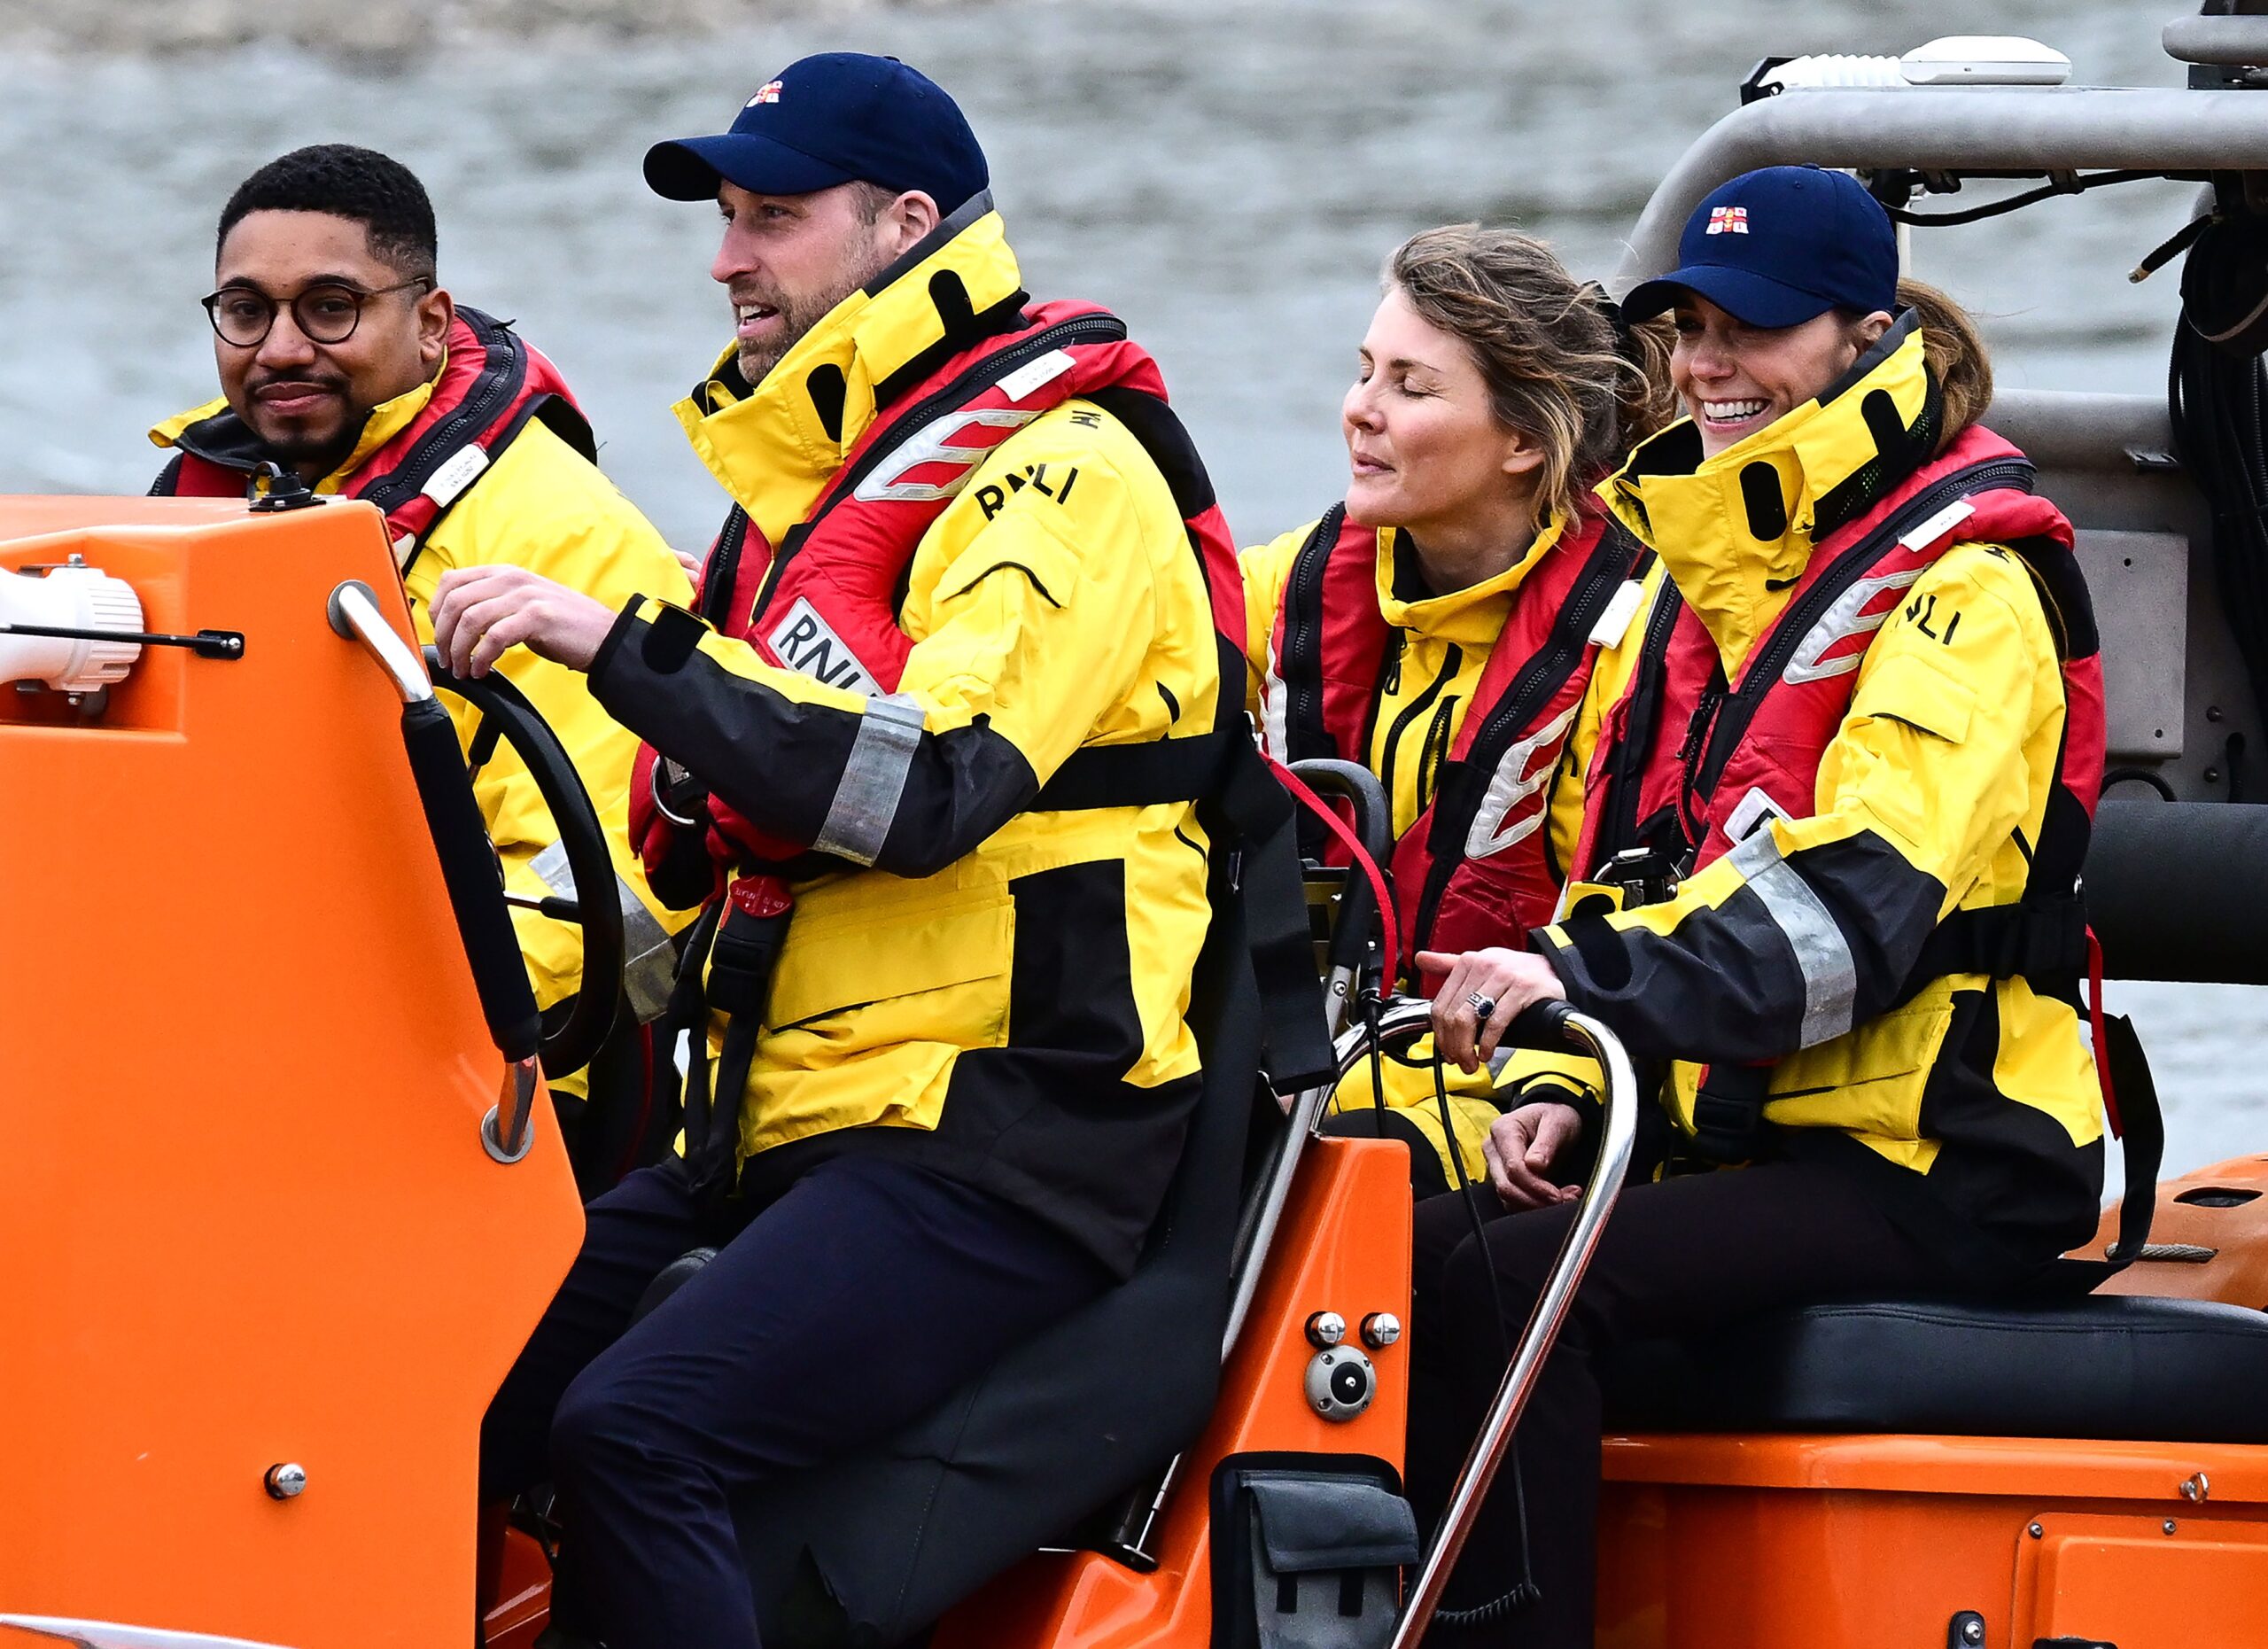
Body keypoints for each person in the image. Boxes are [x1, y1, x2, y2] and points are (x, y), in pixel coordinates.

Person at [440, 54, 1315, 1649]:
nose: (728, 259)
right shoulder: (814, 494)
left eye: (772, 218)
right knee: (420, 1417)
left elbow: (927, 792)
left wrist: (609, 642)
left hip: (1005, 1130)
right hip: (796, 1115)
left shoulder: (1066, 469)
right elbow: (708, 830)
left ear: (908, 226)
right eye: (724, 220)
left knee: (639, 1431)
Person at [1405, 166, 2109, 1645]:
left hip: (1944, 1165)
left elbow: (1841, 923)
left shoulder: (1964, 591)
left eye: (1753, 329)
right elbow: (1649, 880)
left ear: (1864, 334)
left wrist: (1567, 984)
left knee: (1503, 1291)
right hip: (1775, 1138)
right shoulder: (1719, 591)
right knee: (1404, 1244)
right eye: (1690, 328)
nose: (1710, 366)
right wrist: (1573, 1091)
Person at [150, 144, 694, 1175]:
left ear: (433, 322)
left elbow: (611, 889)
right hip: (238, 1051)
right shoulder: (204, 506)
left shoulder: (563, 536)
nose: (280, 348)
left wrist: (354, 1037)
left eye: (330, 307)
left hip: (500, 1099)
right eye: (246, 309)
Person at [1241, 225, 1674, 1192]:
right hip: (1298, 1062)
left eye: (1410, 386)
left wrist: (1557, 1092)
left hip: (1500, 1092)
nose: (1360, 411)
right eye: (1364, 372)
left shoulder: (1643, 644)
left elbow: (1636, 916)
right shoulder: (1274, 595)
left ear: (1522, 440)